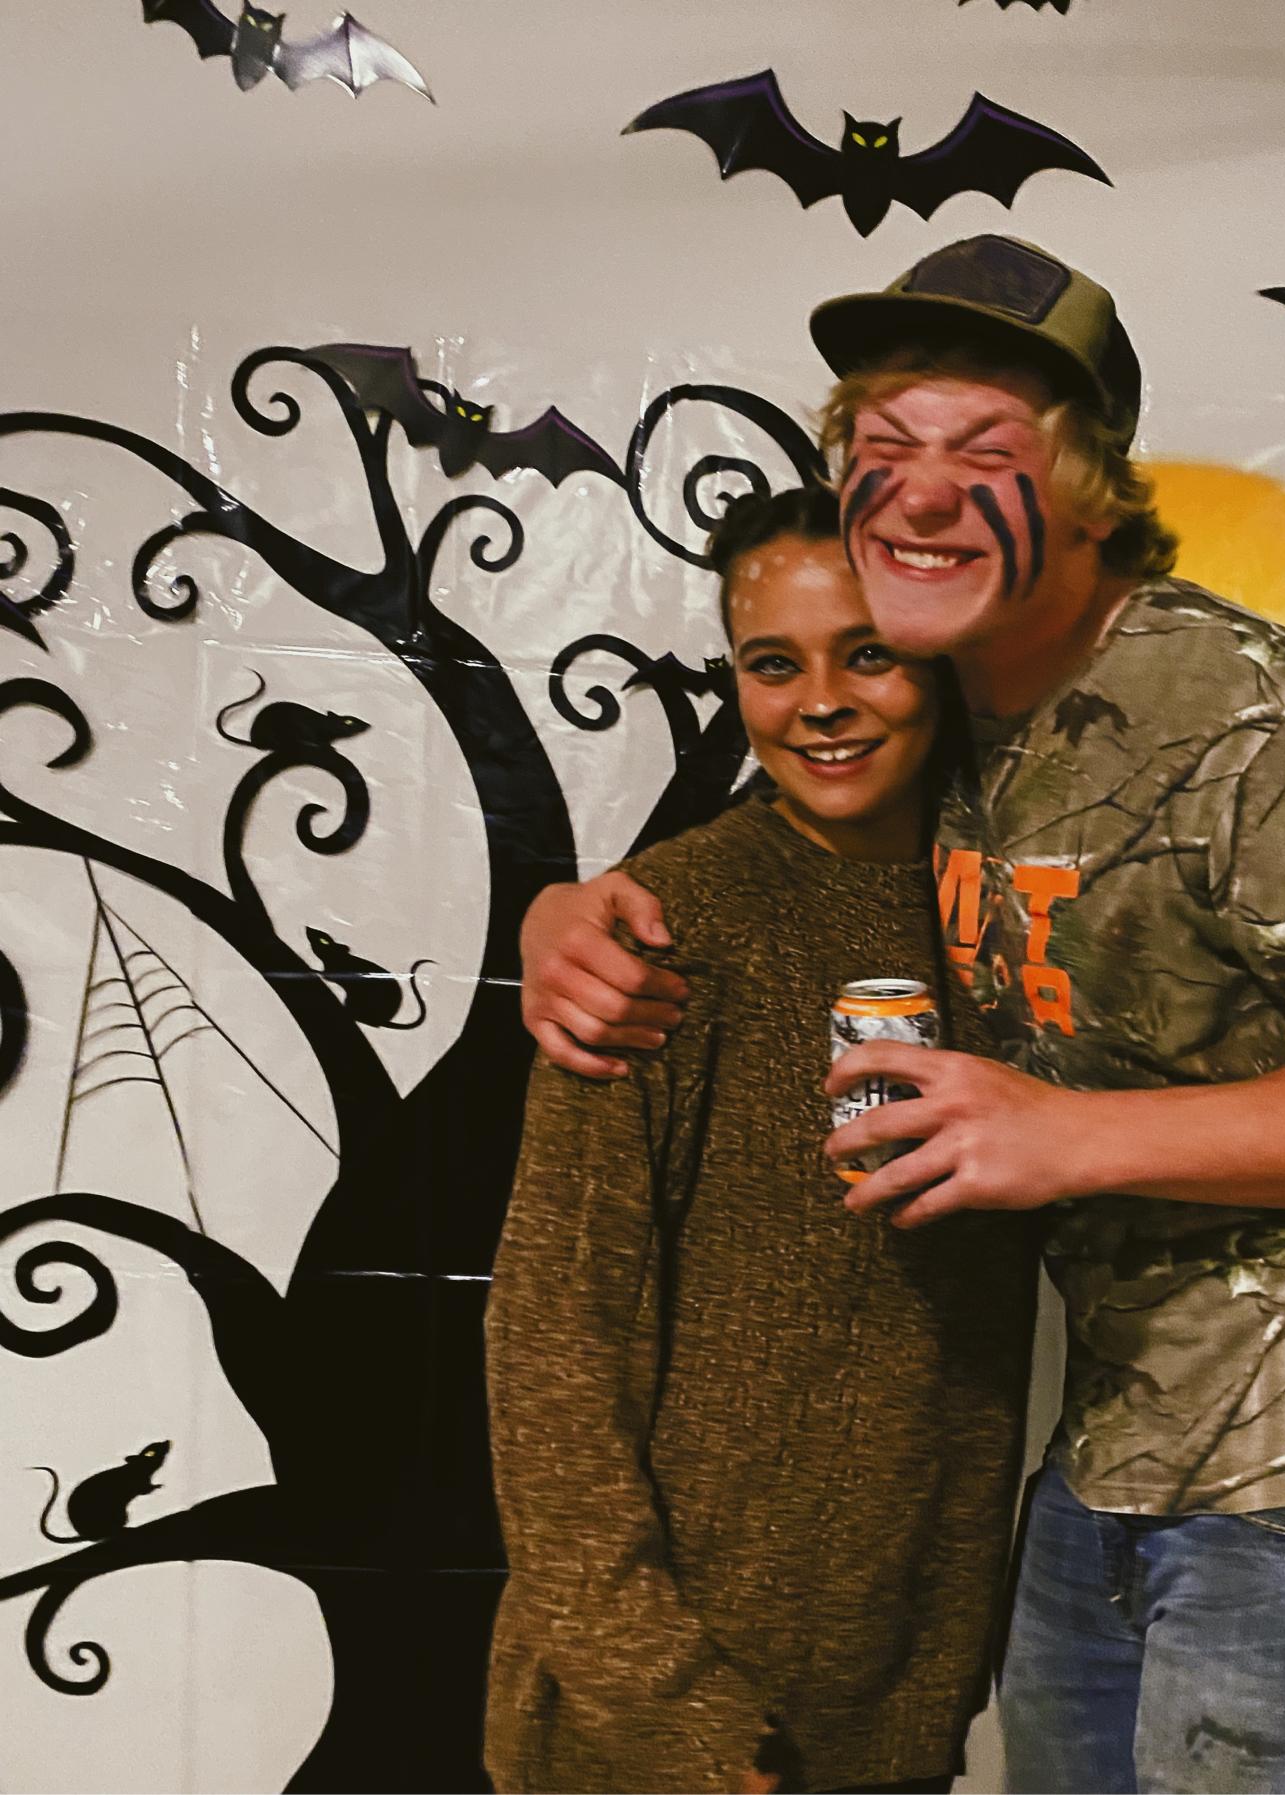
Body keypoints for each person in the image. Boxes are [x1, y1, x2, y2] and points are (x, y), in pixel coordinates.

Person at [518, 236, 1285, 1794]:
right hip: (1112, 1470)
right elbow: (805, 814)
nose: (923, 495)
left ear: (1084, 487)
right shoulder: (966, 716)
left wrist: (1066, 1135)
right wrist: (565, 910)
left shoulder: (1255, 717)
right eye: (886, 446)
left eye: (984, 451)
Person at [484, 483, 1040, 1795]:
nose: (821, 703)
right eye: (773, 664)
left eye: (869, 654)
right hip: (668, 1731)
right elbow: (553, 1347)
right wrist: (679, 1716)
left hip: (893, 1709)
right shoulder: (663, 933)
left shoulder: (1013, 923)